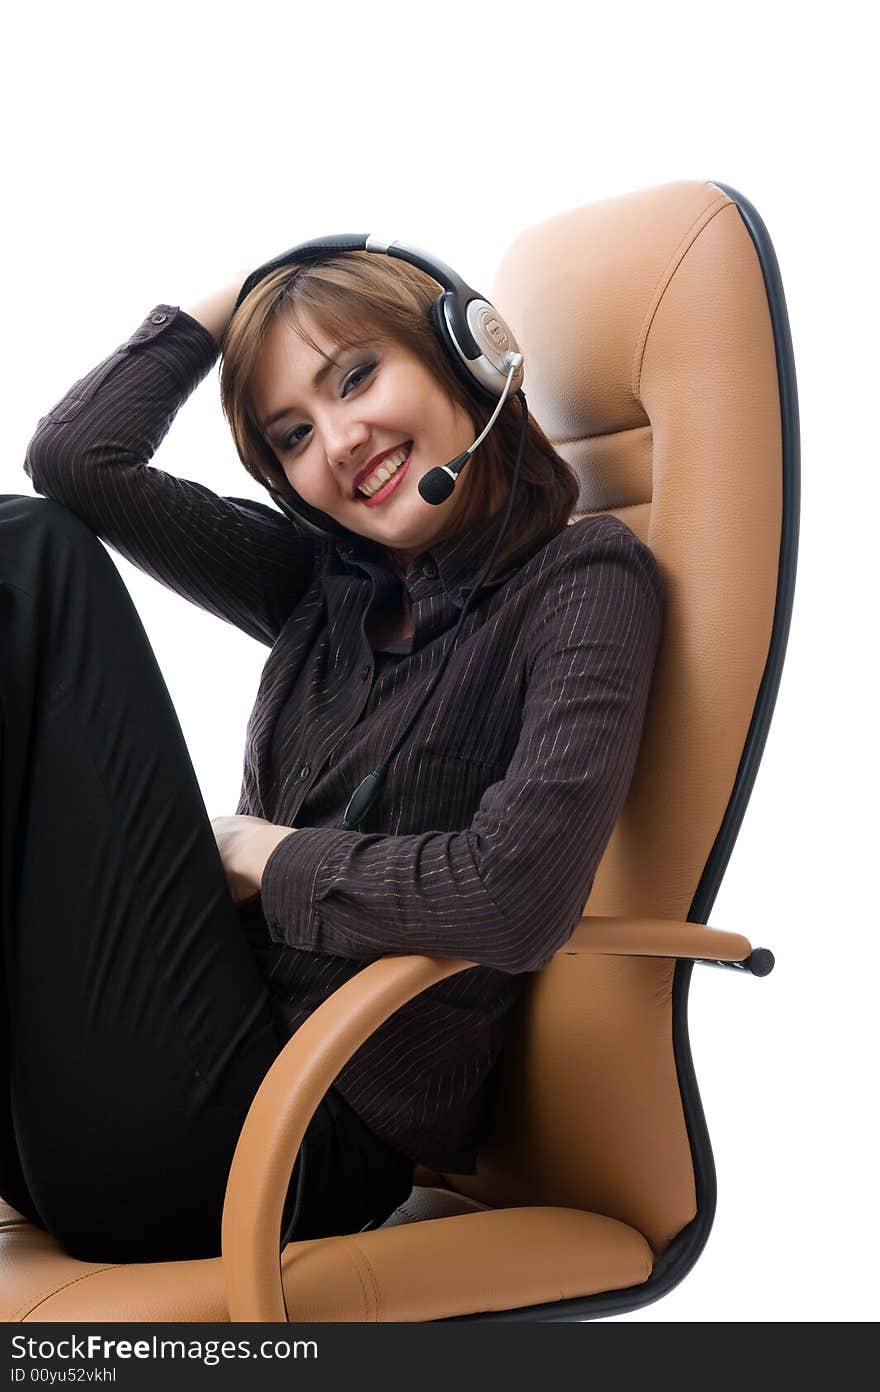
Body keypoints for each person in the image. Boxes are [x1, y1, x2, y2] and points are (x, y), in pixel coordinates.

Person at [0, 248, 664, 1266]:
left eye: (356, 376)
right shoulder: (322, 584)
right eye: (293, 435)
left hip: (279, 1151)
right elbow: (81, 460)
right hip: (136, 1096)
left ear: (470, 356)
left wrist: (261, 856)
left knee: (30, 559)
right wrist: (244, 297)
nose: (340, 441)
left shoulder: (583, 578)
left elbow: (513, 898)